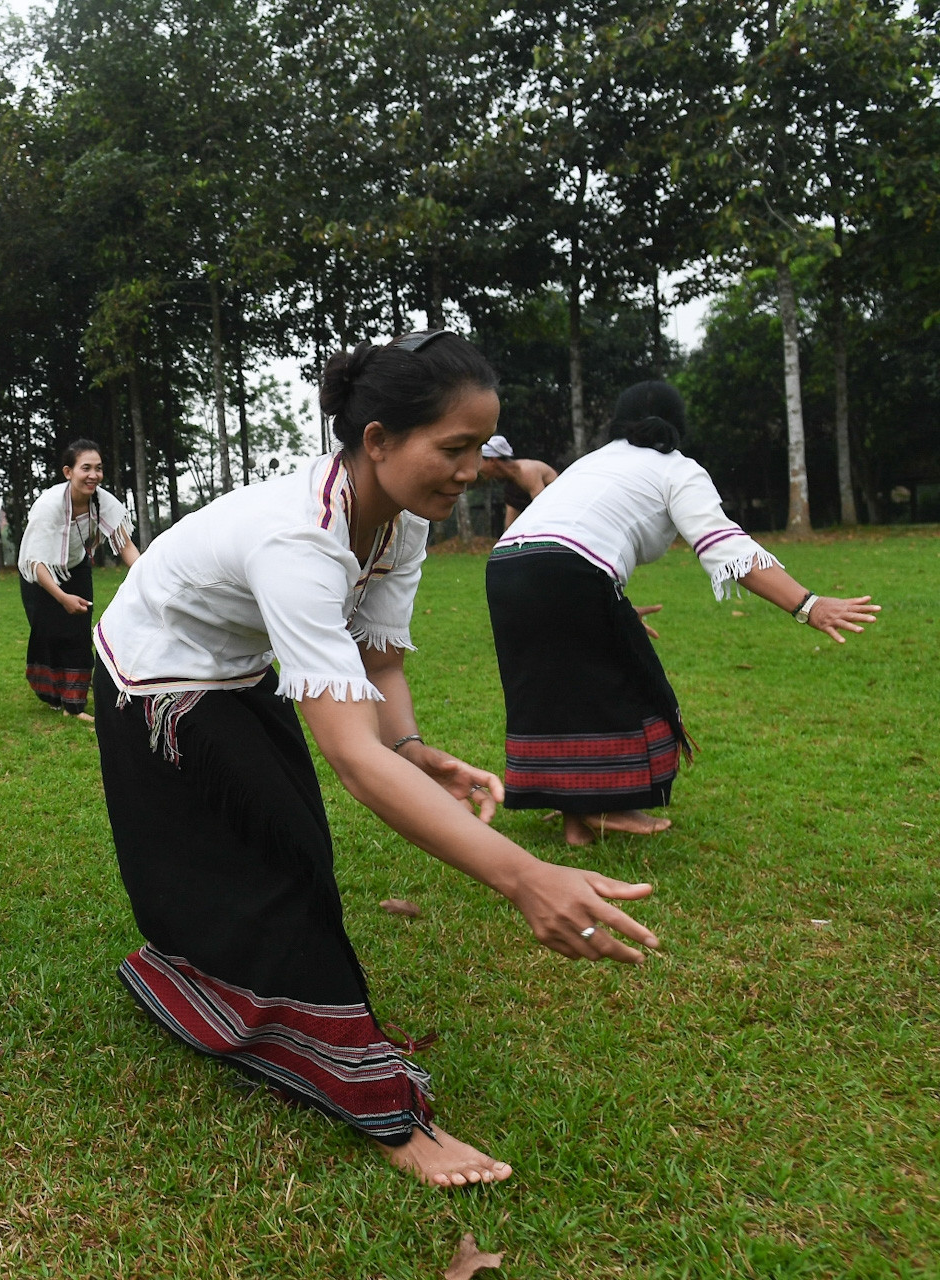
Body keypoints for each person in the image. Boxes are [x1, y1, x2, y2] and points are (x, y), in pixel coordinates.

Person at [92, 331, 664, 1189]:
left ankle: (209, 981)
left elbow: (380, 663)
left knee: (295, 851)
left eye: (480, 448)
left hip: (235, 669)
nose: (471, 469)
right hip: (156, 680)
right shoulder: (302, 539)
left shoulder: (399, 523)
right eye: (454, 447)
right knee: (275, 871)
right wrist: (523, 877)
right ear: (379, 441)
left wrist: (414, 748)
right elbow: (353, 762)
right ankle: (378, 1103)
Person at [488, 380, 878, 846]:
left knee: (554, 688)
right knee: (634, 684)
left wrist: (613, 613)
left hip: (504, 567)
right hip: (569, 571)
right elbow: (725, 546)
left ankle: (578, 822)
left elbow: (566, 535)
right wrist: (808, 605)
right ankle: (607, 803)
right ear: (679, 425)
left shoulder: (588, 464)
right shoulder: (678, 470)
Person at [18, 439, 138, 722]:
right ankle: (52, 695)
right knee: (48, 634)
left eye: (98, 468)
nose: (93, 475)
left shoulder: (103, 501)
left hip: (76, 566)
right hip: (40, 575)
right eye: (86, 468)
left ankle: (74, 704)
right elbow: (35, 562)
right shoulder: (48, 506)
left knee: (77, 633)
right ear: (68, 472)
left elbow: (124, 544)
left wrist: (146, 573)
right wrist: (61, 597)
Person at [477, 435, 557, 533]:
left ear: (492, 460)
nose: (478, 468)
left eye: (480, 461)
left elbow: (543, 511)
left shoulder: (527, 472)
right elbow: (509, 527)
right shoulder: (511, 483)